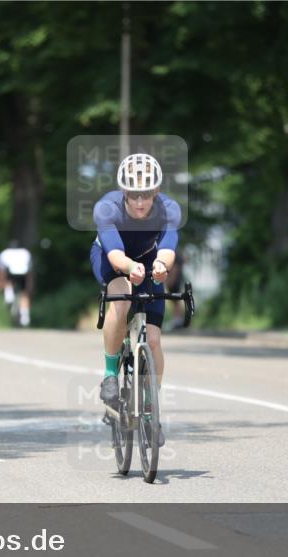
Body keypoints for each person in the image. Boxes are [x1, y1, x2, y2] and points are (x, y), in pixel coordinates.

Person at [91, 152, 180, 420]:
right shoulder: (107, 208)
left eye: (146, 194)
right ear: (124, 192)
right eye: (133, 195)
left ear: (157, 191)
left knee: (153, 340)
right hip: (112, 258)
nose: (140, 202)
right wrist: (130, 267)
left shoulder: (169, 209)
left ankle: (151, 404)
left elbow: (168, 249)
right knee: (121, 300)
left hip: (149, 260)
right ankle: (110, 373)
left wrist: (161, 266)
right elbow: (115, 254)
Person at [0, 240, 32, 327]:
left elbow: (2, 271)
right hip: (23, 273)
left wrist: (1, 282)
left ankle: (9, 298)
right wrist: (29, 284)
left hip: (11, 273)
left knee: (9, 282)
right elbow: (29, 270)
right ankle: (25, 316)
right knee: (24, 294)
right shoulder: (25, 252)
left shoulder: (4, 253)